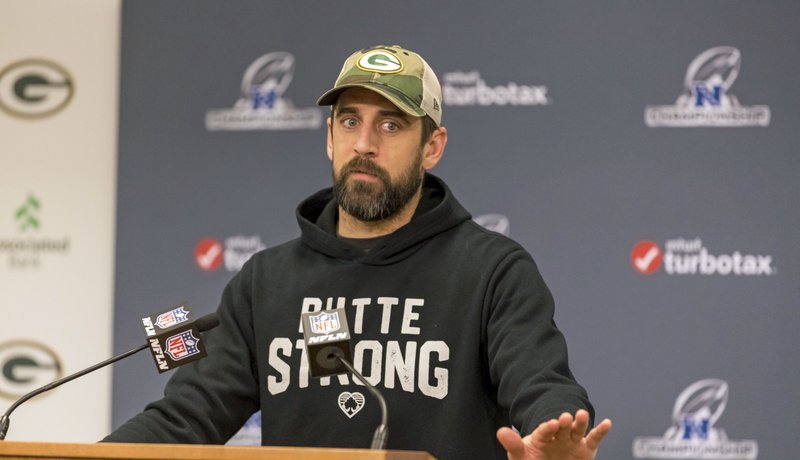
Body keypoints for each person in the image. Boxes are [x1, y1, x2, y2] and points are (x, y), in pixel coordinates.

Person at [104, 44, 612, 459]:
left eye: (390, 125)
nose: (364, 143)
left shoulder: (491, 271)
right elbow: (187, 416)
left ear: (432, 146)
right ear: (329, 137)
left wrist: (555, 433)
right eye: (349, 122)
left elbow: (541, 384)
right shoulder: (267, 282)